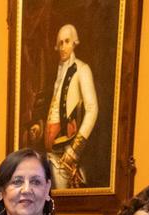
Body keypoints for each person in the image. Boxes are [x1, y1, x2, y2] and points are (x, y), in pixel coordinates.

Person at [28, 24, 97, 189]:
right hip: (51, 153)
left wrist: (74, 150)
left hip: (67, 150)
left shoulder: (82, 69)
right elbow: (52, 109)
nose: (63, 47)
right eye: (60, 43)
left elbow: (92, 109)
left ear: (74, 43)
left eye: (67, 41)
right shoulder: (56, 71)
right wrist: (39, 127)